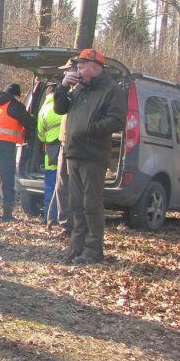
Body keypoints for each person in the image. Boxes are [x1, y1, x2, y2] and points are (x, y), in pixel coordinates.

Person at [54, 48, 127, 265]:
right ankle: (77, 247)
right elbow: (60, 109)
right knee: (75, 203)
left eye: (82, 66)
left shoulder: (111, 90)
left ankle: (93, 250)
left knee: (91, 204)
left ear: (96, 68)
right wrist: (62, 87)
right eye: (77, 66)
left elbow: (117, 120)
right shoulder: (79, 89)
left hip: (93, 155)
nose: (78, 69)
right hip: (73, 153)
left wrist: (91, 128)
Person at [0, 82, 35, 221]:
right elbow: (29, 122)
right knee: (7, 179)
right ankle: (7, 214)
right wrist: (29, 135)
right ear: (15, 95)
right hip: (4, 146)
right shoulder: (15, 105)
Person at [51, 56, 78, 238]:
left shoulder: (87, 92)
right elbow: (59, 109)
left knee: (76, 189)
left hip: (80, 147)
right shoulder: (69, 92)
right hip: (64, 144)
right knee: (62, 186)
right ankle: (66, 226)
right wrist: (62, 87)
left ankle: (76, 227)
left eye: (68, 70)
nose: (65, 73)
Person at [37, 83, 63, 227]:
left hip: (50, 156)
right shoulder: (68, 104)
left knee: (50, 188)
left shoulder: (43, 110)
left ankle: (48, 217)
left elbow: (40, 135)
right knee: (65, 188)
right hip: (67, 152)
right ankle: (63, 220)